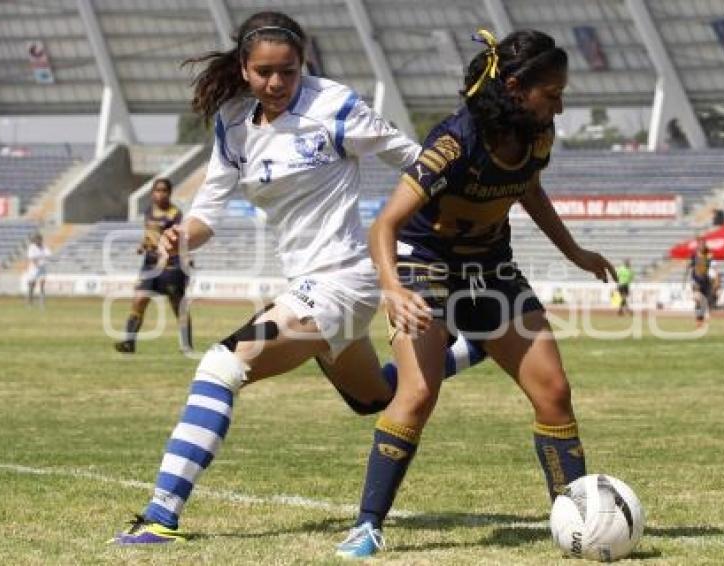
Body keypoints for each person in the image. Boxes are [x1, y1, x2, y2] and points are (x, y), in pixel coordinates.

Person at [110, 11, 485, 545]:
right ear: (243, 68)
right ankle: (478, 346)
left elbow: (418, 161)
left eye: (288, 70)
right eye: (264, 71)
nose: (277, 83)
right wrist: (180, 239)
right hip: (307, 285)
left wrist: (468, 213)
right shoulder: (233, 123)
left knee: (221, 366)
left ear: (301, 63)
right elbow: (207, 215)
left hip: (345, 280)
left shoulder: (335, 106)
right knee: (374, 397)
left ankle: (161, 515)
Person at [335, 29, 616, 558]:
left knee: (554, 391)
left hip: (490, 269)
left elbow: (527, 187)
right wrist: (393, 288)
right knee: (417, 393)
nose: (560, 103)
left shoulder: (538, 135)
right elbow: (384, 226)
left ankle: (575, 517)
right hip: (426, 265)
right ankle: (367, 525)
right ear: (514, 87)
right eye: (551, 92)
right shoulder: (453, 142)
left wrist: (574, 251)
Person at [114, 178, 193, 354]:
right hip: (150, 264)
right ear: (152, 192)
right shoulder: (149, 211)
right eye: (157, 190)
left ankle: (186, 345)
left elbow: (178, 239)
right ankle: (129, 342)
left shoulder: (175, 214)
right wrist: (143, 245)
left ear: (170, 193)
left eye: (164, 190)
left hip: (171, 264)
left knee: (177, 305)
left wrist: (182, 261)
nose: (160, 194)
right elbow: (150, 235)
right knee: (139, 299)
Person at [684, 235, 713, 327]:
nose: (702, 246)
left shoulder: (709, 254)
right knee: (698, 300)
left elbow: (712, 266)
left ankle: (701, 318)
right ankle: (698, 319)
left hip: (705, 280)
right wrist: (686, 278)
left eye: (703, 244)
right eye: (700, 244)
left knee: (705, 301)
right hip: (696, 279)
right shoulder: (694, 255)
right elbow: (689, 266)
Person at [26, 233, 50, 307]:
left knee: (42, 284)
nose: (38, 241)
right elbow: (32, 258)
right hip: (33, 269)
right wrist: (37, 264)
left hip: (42, 268)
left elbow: (48, 254)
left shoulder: (44, 247)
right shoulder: (31, 247)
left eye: (39, 240)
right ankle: (30, 303)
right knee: (32, 285)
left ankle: (42, 302)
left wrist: (42, 261)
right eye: (36, 240)